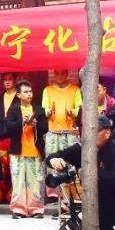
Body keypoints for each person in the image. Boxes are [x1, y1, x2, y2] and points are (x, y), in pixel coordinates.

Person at [46, 115, 115, 230]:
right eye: (86, 131)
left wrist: (90, 174)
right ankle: (91, 228)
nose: (89, 136)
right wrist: (54, 160)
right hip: (90, 205)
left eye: (94, 131)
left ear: (107, 133)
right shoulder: (82, 149)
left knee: (104, 185)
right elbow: (55, 156)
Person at [4, 81, 48, 218]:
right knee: (18, 182)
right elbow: (8, 128)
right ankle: (19, 210)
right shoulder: (13, 110)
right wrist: (22, 121)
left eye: (30, 91)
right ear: (18, 95)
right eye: (25, 92)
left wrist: (35, 125)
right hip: (18, 152)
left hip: (35, 151)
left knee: (36, 182)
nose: (29, 94)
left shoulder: (39, 110)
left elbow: (45, 128)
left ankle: (36, 209)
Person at [41, 68, 80, 215]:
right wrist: (48, 111)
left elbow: (79, 109)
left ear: (67, 74)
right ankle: (59, 202)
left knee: (70, 167)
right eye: (56, 73)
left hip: (69, 133)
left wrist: (72, 112)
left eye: (62, 73)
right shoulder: (47, 90)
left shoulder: (75, 89)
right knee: (55, 166)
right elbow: (44, 109)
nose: (59, 76)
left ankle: (70, 203)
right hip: (53, 133)